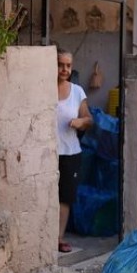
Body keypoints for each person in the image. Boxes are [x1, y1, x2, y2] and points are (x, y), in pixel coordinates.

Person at [56, 48, 93, 253]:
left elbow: (89, 120)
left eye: (68, 65)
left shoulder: (78, 92)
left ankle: (59, 238)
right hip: (48, 154)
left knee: (64, 198)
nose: (64, 69)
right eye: (60, 65)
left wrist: (81, 121)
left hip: (70, 153)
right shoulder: (45, 90)